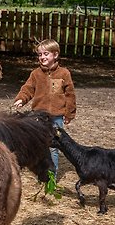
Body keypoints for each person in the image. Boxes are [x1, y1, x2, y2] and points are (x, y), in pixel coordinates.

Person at [13, 39, 76, 177]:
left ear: (55, 55)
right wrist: (21, 99)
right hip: (38, 117)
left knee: (53, 146)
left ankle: (52, 175)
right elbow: (28, 89)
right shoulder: (36, 74)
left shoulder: (64, 74)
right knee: (38, 145)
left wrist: (69, 113)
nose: (42, 57)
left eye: (46, 54)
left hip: (56, 117)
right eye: (40, 55)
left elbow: (70, 94)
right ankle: (41, 173)